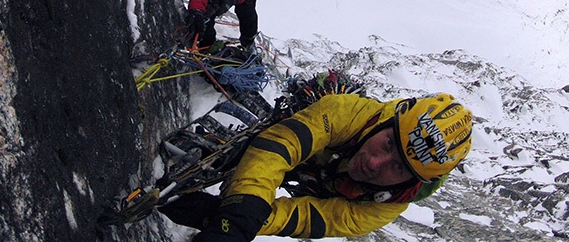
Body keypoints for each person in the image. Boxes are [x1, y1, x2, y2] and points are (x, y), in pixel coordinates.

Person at [159, 91, 473, 240]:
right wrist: (245, 206)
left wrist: (233, 219)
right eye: (389, 143)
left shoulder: (384, 208)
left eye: (399, 169)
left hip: (323, 182)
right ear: (387, 122)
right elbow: (283, 143)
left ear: (411, 183)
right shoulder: (350, 112)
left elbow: (304, 217)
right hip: (314, 157)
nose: (376, 163)